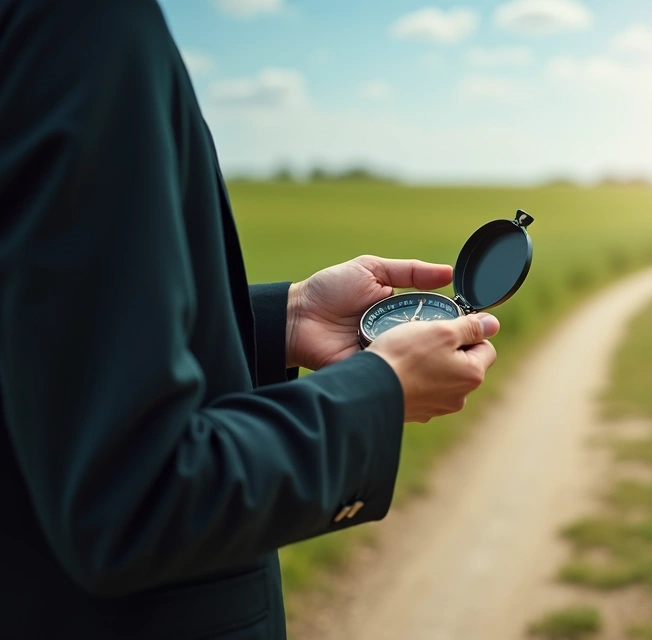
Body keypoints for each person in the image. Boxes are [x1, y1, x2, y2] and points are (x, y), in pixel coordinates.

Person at [0, 1, 500, 637]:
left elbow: (48, 348)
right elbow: (135, 499)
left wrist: (285, 320)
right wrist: (380, 392)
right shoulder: (83, 22)